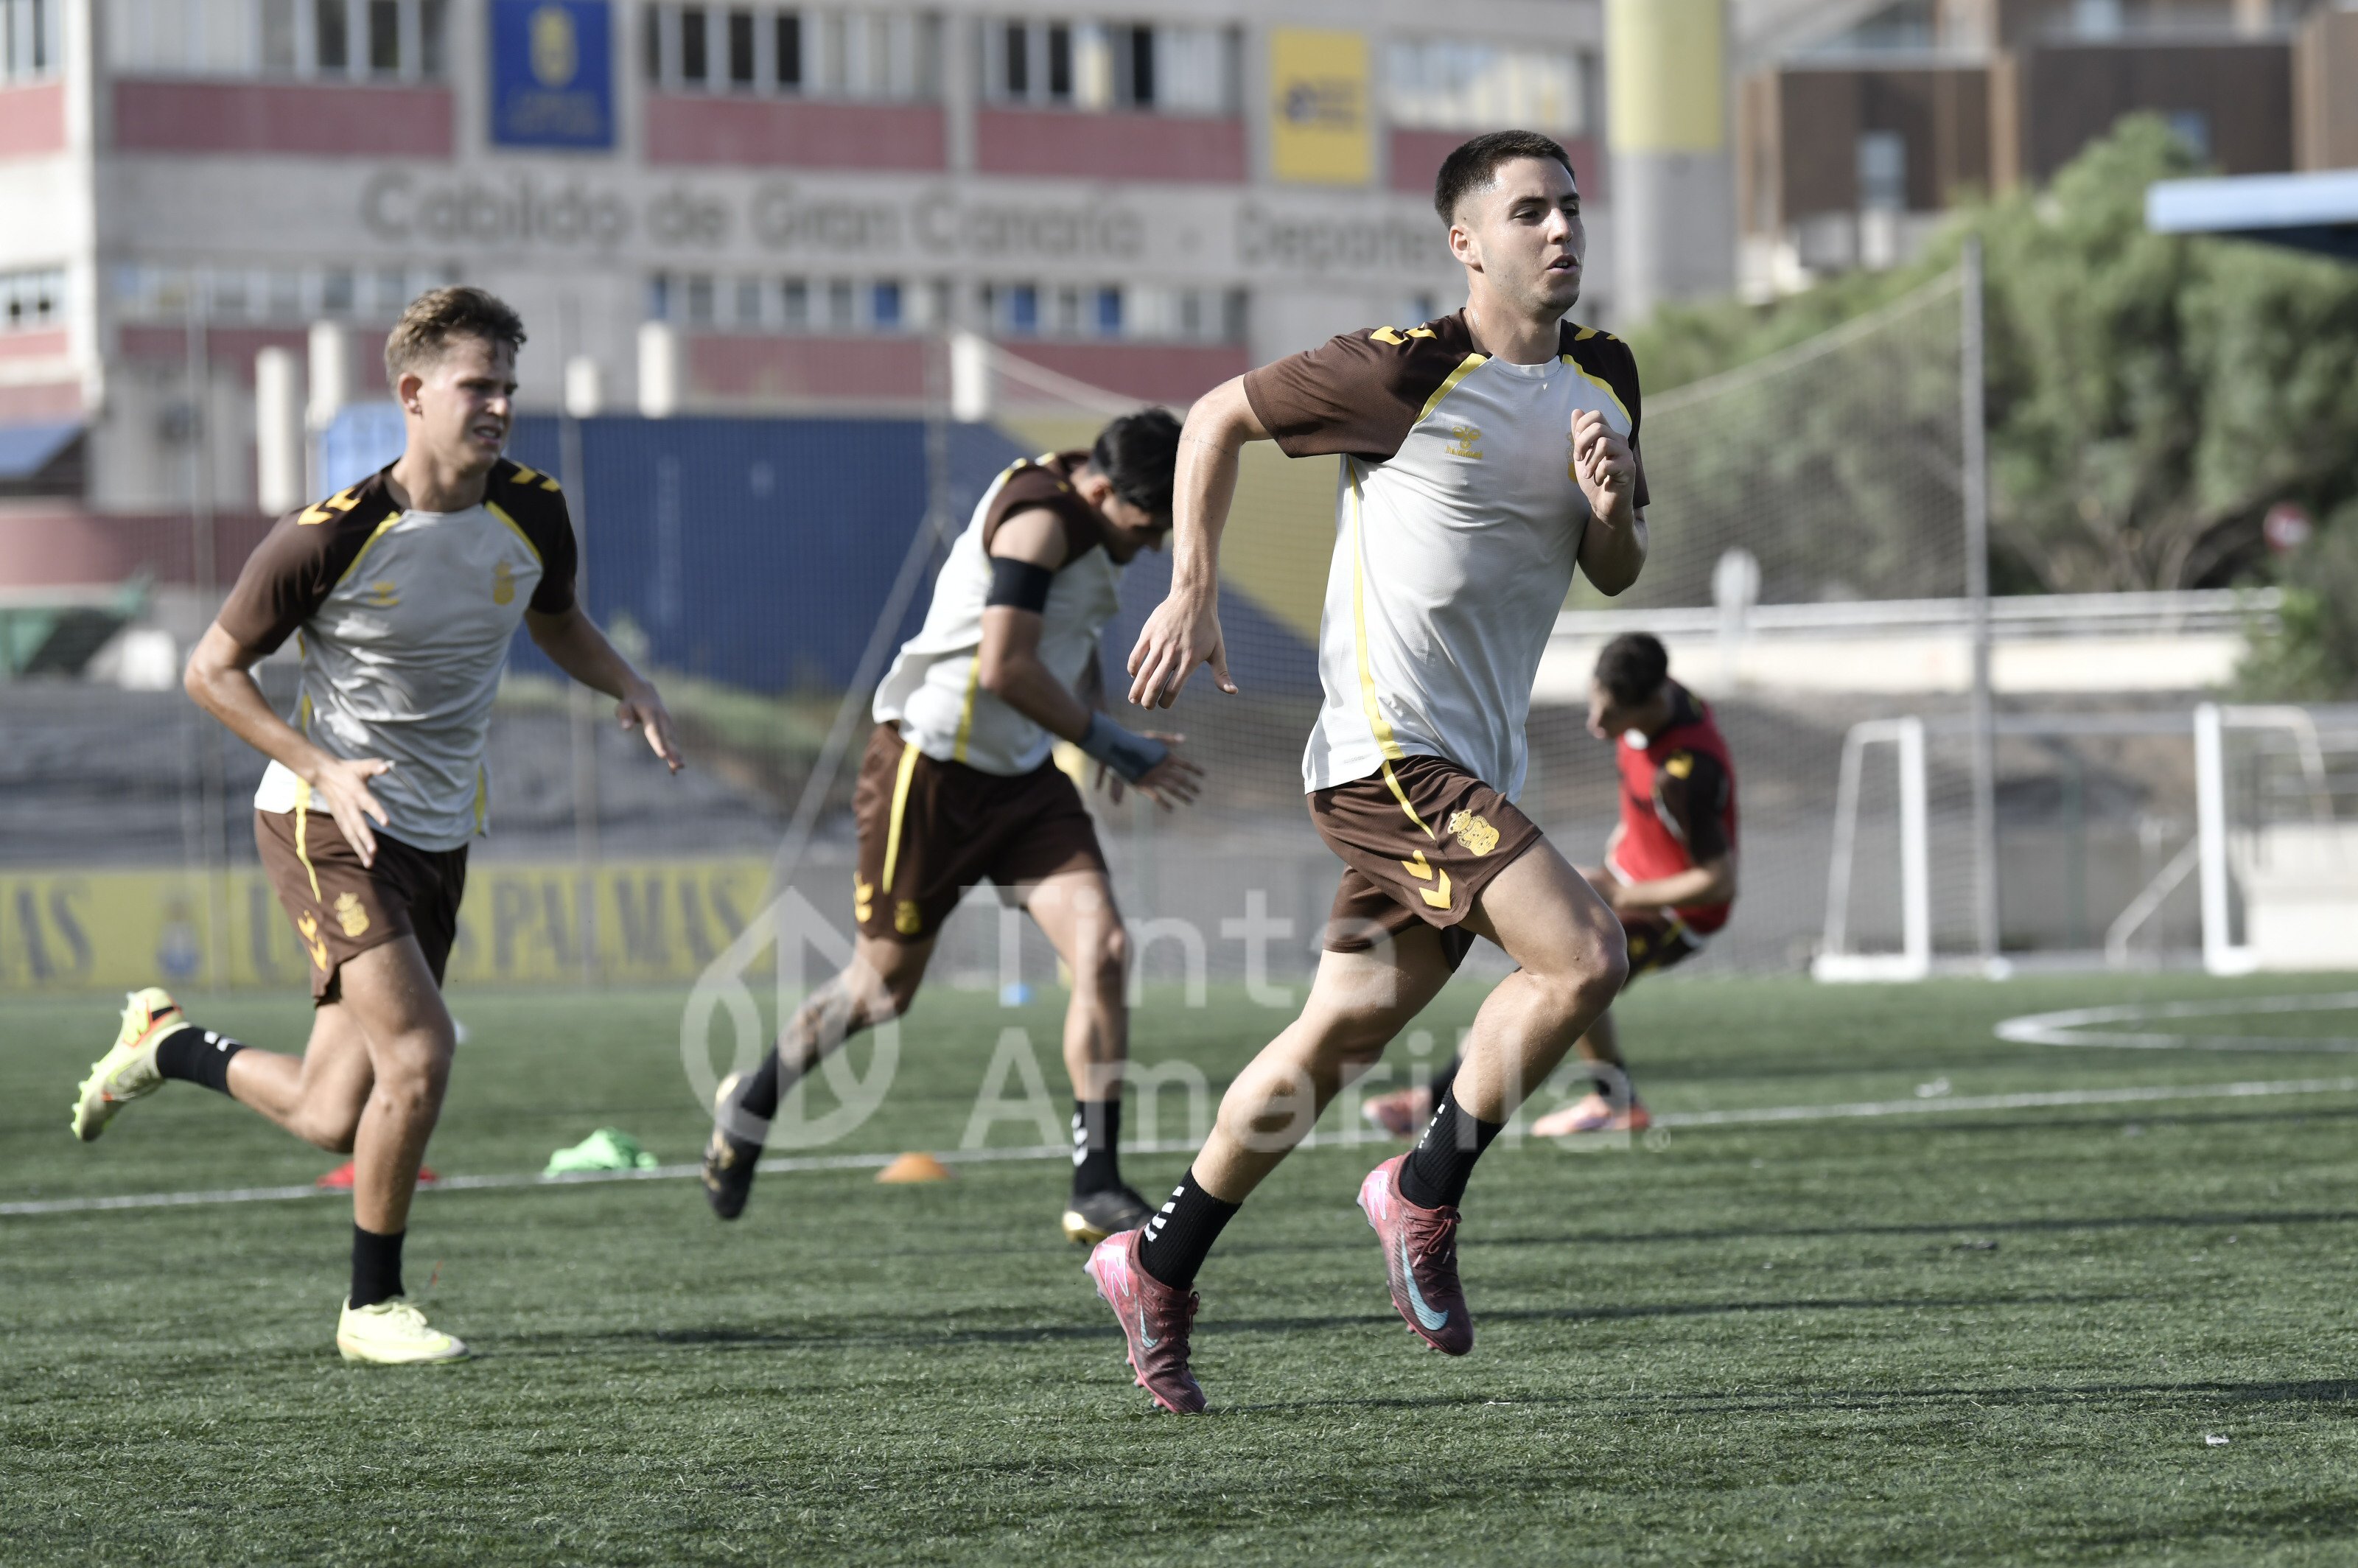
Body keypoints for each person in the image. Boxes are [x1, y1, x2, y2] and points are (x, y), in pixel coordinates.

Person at [1081, 130, 1649, 1412]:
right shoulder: (1398, 371)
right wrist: (1194, 585)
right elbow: (1219, 414)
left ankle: (1155, 1260)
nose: (1561, 230)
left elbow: (1616, 569)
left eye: (1570, 208)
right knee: (1585, 956)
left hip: (1472, 762)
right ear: (1467, 243)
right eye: (1528, 214)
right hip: (1386, 754)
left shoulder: (1607, 378)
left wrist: (1610, 510)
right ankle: (1421, 1187)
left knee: (1338, 1029)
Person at [69, 287, 681, 1365]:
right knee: (423, 1056)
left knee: (328, 1109)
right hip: (322, 820)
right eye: (475, 385)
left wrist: (626, 685)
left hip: (438, 832)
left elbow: (558, 620)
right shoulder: (331, 536)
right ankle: (372, 1307)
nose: (497, 404)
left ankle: (164, 1046)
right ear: (413, 394)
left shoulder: (532, 508)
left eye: (507, 386)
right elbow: (209, 671)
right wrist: (315, 765)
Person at [702, 411, 1203, 1247]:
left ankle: (1096, 1181)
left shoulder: (1096, 500)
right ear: (1103, 490)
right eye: (1146, 523)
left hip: (1022, 782)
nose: (1152, 543)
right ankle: (752, 1099)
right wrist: (1116, 743)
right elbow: (1004, 664)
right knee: (881, 990)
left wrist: (1100, 724)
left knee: (1104, 950)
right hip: (928, 772)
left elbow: (1066, 634)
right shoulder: (1044, 519)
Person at [1362, 632, 1738, 1138]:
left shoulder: (1684, 773)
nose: (1594, 724)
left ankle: (1434, 1106)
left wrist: (1624, 894)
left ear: (1652, 703)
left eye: (1610, 717)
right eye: (1595, 703)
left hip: (1675, 913)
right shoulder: (1660, 695)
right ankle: (1615, 1102)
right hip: (1625, 879)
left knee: (1555, 973)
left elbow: (1718, 883)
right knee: (1564, 969)